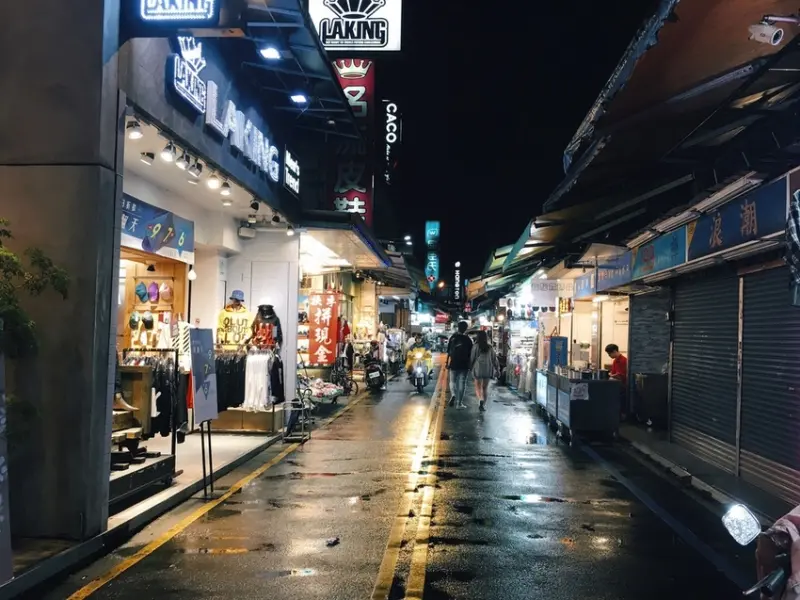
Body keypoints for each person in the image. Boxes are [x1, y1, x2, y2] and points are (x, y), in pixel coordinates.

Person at [469, 330, 499, 412]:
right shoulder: (490, 347)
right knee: (485, 388)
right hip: (488, 369)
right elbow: (494, 359)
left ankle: (480, 400)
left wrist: (470, 367)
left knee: (477, 387)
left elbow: (472, 358)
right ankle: (483, 405)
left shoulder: (475, 346)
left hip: (478, 369)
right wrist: (497, 369)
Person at [446, 321, 473, 409]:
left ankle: (453, 394)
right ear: (466, 329)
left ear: (458, 327)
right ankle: (459, 404)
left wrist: (447, 362)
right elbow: (471, 353)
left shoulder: (453, 338)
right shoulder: (468, 339)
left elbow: (449, 352)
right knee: (462, 383)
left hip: (454, 363)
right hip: (464, 364)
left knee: (452, 381)